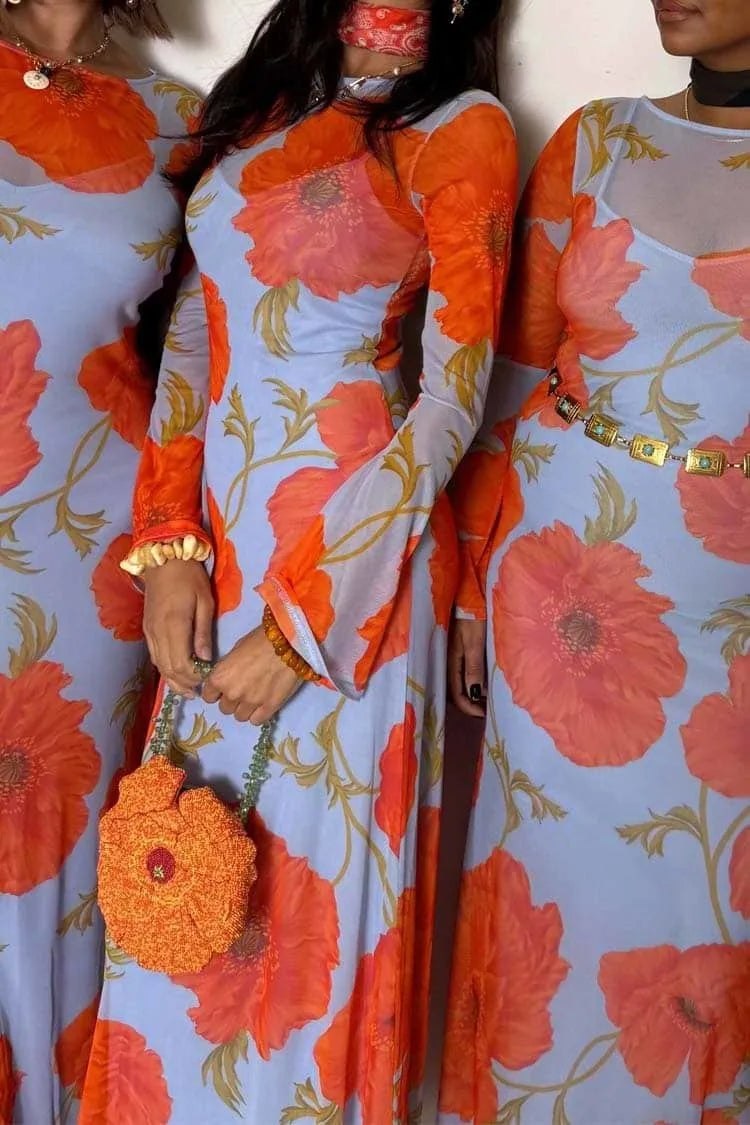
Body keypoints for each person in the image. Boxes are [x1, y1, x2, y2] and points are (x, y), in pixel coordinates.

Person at [78, 0, 518, 1120]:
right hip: (218, 548)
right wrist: (170, 545)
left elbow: (451, 399)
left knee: (305, 914)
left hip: (349, 565)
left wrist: (306, 621)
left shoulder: (459, 126)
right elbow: (189, 334)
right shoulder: (265, 109)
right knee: (178, 869)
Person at [441, 0, 750, 1122]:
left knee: (702, 954)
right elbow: (515, 380)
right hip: (558, 605)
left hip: (732, 632)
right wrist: (476, 569)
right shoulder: (596, 139)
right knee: (554, 926)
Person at [0, 0, 198, 1118]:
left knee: (55, 846)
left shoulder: (178, 116)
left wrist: (177, 540)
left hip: (87, 543)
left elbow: (201, 348)